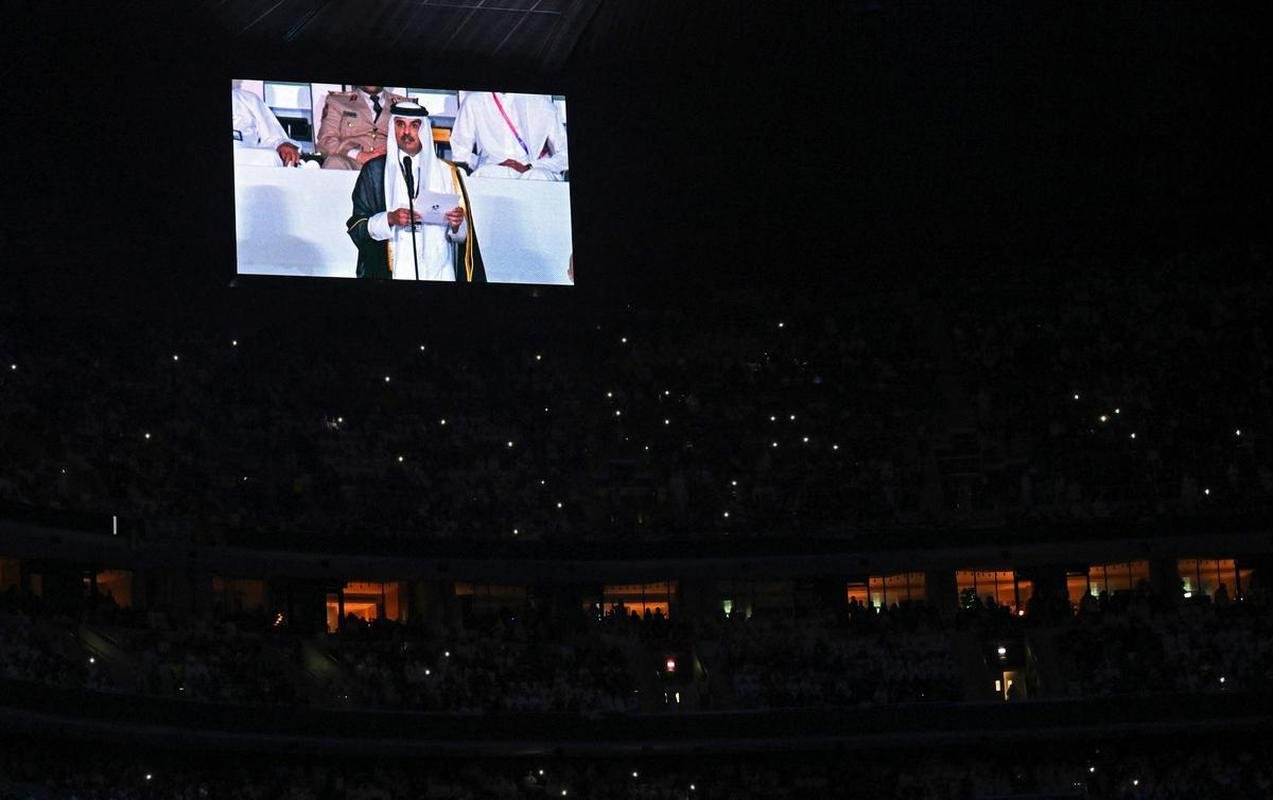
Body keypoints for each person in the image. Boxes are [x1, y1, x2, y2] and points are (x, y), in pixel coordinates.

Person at [345, 102, 478, 281]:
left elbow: (463, 238)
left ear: (423, 129)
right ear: (393, 128)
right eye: (400, 124)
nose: (406, 132)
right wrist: (389, 219)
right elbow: (357, 227)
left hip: (439, 272)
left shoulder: (448, 172)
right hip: (394, 272)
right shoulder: (374, 170)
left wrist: (457, 224)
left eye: (414, 125)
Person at [449, 92, 568, 180]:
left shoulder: (541, 101)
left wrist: (531, 166)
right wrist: (484, 163)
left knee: (538, 176)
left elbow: (565, 155)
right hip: (491, 172)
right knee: (490, 173)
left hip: (535, 171)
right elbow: (460, 154)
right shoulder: (474, 101)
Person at [317, 85, 409, 170]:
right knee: (334, 162)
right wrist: (358, 155)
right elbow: (325, 141)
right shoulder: (337, 101)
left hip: (389, 165)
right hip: (351, 163)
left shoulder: (405, 104)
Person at [231, 87, 300, 166]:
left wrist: (283, 144)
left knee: (271, 157)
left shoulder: (248, 99)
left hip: (245, 158)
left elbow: (275, 138)